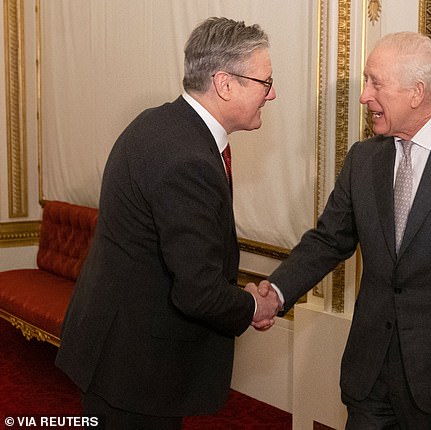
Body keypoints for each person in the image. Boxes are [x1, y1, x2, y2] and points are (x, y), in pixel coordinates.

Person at [259, 32, 431, 429]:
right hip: (371, 370)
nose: (364, 96)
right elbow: (329, 239)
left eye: (375, 82)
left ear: (416, 92)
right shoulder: (363, 158)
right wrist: (277, 291)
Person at [55, 17, 281, 429]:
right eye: (265, 83)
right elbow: (197, 292)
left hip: (119, 350)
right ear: (225, 84)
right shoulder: (187, 158)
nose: (272, 93)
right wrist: (253, 305)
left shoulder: (160, 123)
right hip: (137, 369)